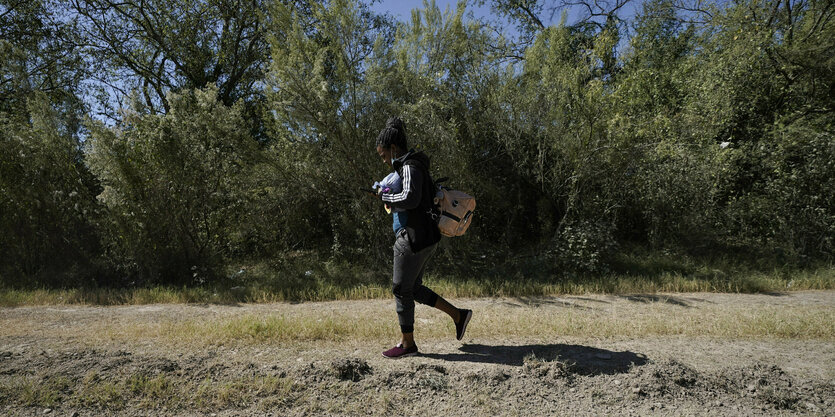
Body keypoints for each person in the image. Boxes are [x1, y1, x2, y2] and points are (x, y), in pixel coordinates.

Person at [373, 117, 472, 359]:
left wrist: (386, 199)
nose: (385, 160)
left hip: (414, 236)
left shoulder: (409, 167)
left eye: (384, 155)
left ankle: (407, 345)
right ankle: (459, 315)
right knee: (412, 288)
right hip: (423, 235)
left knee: (400, 289)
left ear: (393, 149)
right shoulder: (412, 166)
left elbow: (410, 199)